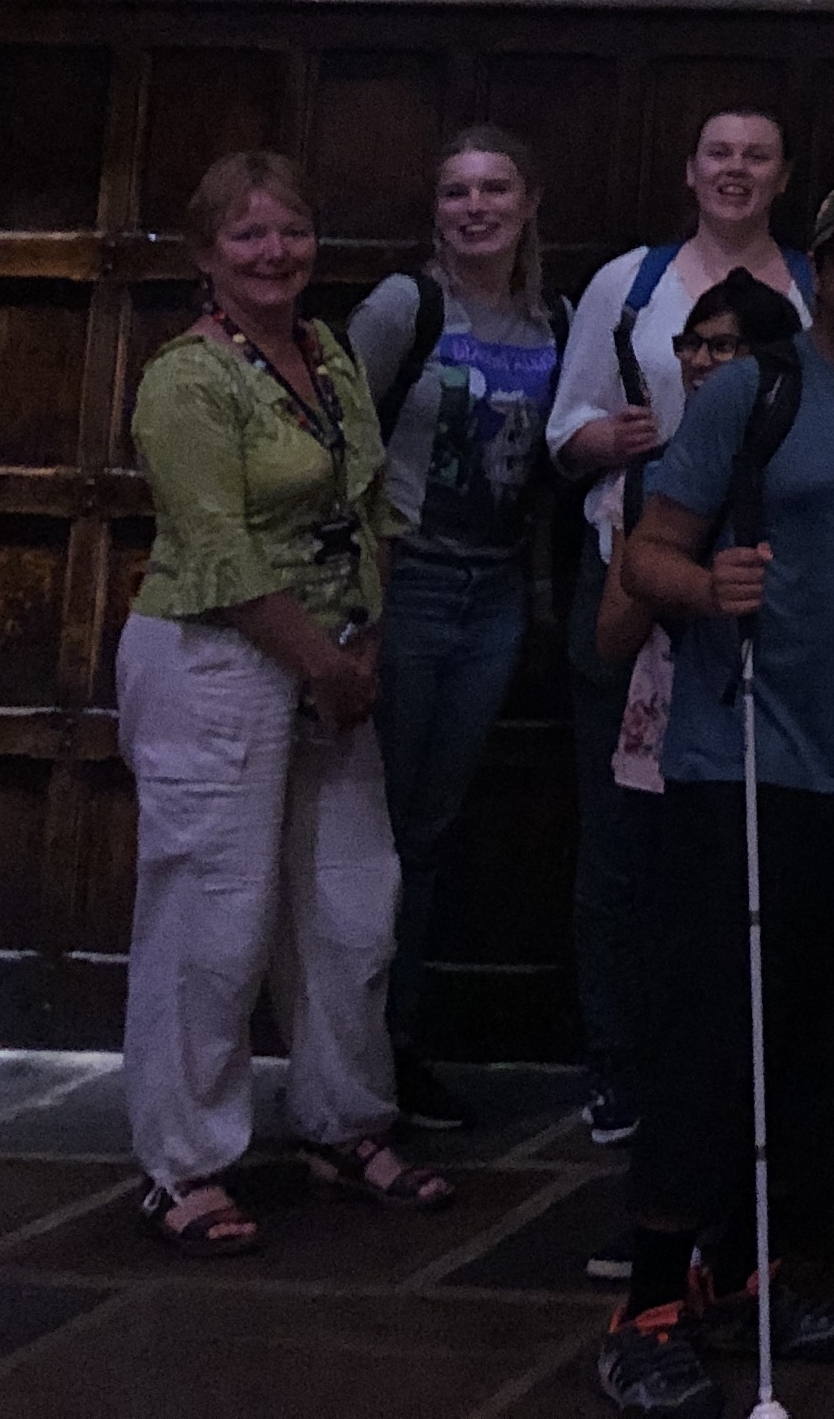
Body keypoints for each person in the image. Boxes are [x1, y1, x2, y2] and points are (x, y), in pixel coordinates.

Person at [599, 181, 834, 1419]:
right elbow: (645, 556)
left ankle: (756, 1272)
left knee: (833, 1053)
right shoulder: (752, 392)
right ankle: (647, 1304)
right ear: (820, 271)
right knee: (715, 1041)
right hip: (748, 769)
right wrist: (710, 590)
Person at [121, 151, 452, 1255]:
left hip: (336, 660)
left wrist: (363, 644)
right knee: (213, 917)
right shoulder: (187, 380)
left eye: (293, 232)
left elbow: (370, 508)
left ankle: (343, 1124)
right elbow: (214, 548)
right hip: (218, 660)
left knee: (355, 905)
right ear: (207, 255)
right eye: (250, 237)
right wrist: (319, 662)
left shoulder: (330, 353)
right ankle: (184, 1165)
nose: (275, 254)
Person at [546, 108, 813, 1149]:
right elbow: (568, 429)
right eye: (718, 155)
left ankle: (728, 1056)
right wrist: (600, 441)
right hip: (630, 566)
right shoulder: (631, 283)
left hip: (757, 577)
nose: (735, 171)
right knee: (621, 836)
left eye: (756, 155)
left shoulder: (804, 286)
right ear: (690, 169)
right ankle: (618, 1059)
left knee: (734, 828)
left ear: (781, 174)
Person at [571, 270, 801, 1293]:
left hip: (761, 746)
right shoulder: (656, 476)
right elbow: (612, 635)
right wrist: (670, 564)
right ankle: (662, 1228)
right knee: (678, 987)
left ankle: (742, 1239)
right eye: (696, 347)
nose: (707, 362)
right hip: (662, 737)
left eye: (731, 349)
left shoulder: (786, 462)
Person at [343, 124, 568, 1136]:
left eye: (494, 189)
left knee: (427, 831)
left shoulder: (553, 318)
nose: (474, 207)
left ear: (527, 204)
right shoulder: (407, 305)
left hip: (495, 595)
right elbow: (337, 432)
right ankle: (351, 1048)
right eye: (454, 193)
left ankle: (400, 1039)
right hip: (411, 582)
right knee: (374, 827)